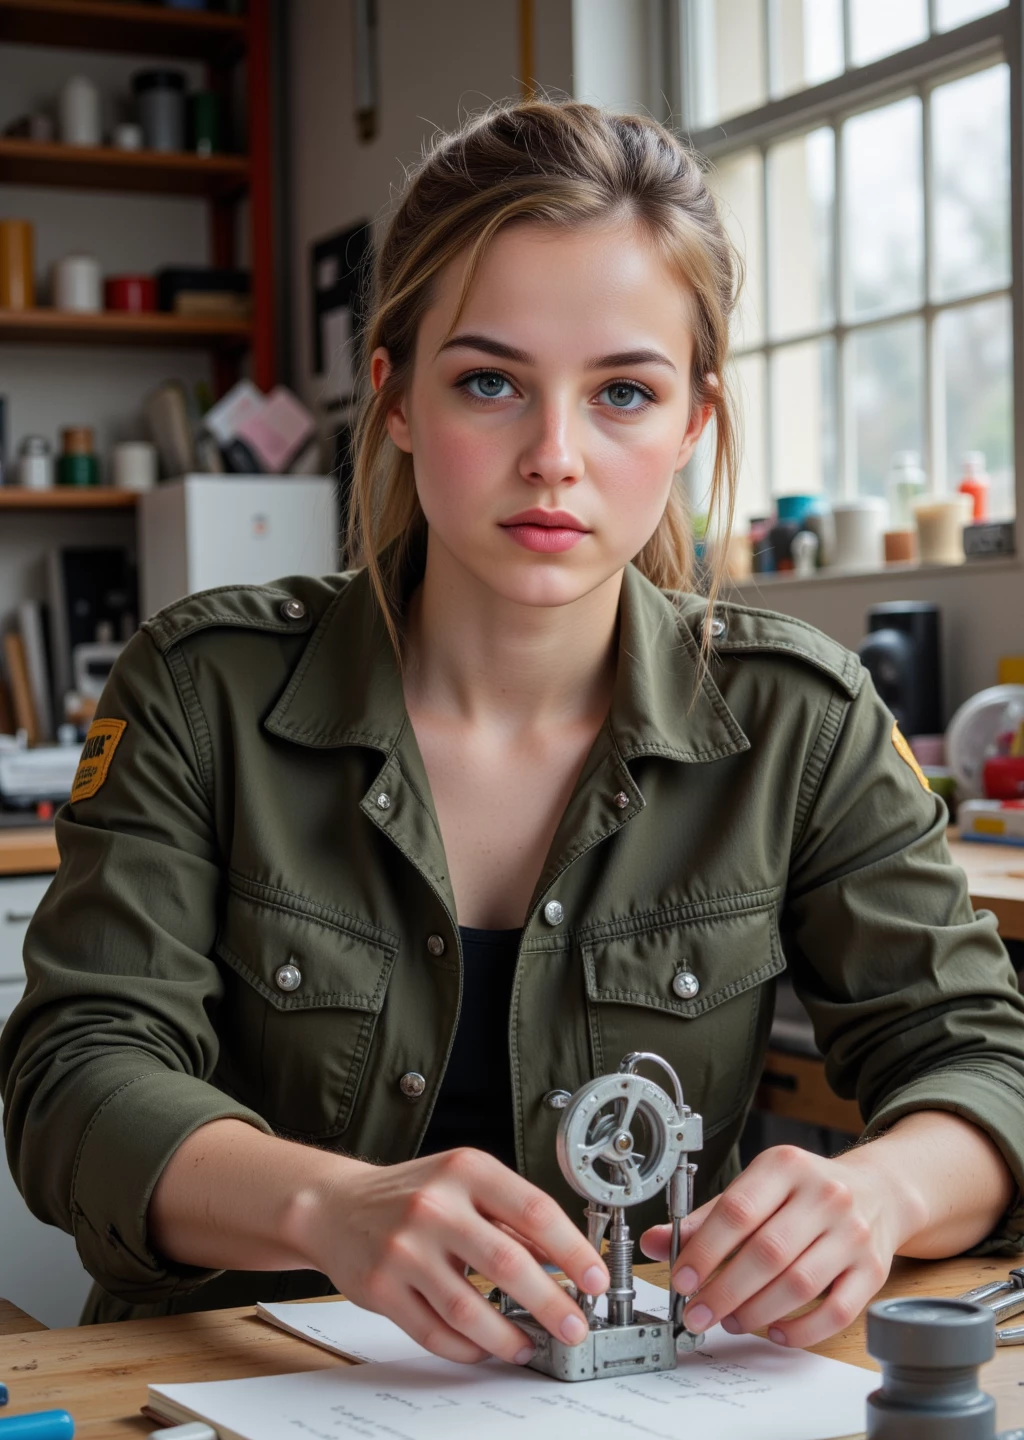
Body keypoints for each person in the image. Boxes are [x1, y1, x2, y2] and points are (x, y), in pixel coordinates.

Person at [3, 101, 1024, 1362]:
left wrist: (878, 1194)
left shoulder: (798, 718)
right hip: (239, 1397)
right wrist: (327, 1206)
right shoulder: (198, 686)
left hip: (639, 1419)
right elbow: (73, 1079)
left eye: (623, 394)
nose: (554, 457)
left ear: (691, 422)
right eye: (489, 382)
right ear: (391, 399)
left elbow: (984, 1061)